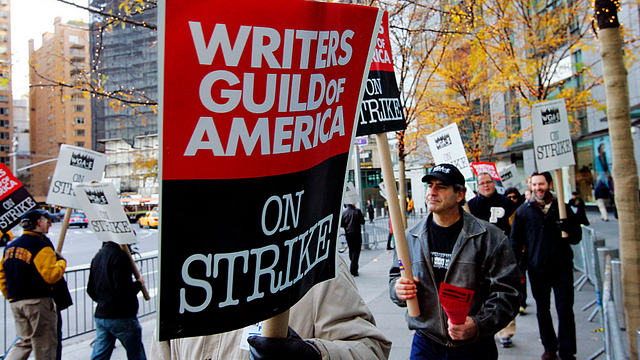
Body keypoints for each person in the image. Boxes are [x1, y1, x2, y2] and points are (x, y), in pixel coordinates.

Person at [390, 164, 520, 360]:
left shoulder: (490, 238)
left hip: (474, 346)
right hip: (425, 343)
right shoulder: (409, 238)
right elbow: (397, 272)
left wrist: (477, 325)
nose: (432, 192)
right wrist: (398, 290)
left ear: (459, 195)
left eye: (441, 187)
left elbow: (508, 294)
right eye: (430, 185)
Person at [150, 257, 392, 359]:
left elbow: (371, 350)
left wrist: (315, 355)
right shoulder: (185, 264)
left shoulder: (315, 263)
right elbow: (161, 350)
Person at [510, 172, 582, 360]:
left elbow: (577, 238)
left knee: (565, 310)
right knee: (543, 310)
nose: (538, 188)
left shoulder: (562, 208)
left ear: (549, 184)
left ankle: (567, 352)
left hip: (562, 268)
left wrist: (569, 228)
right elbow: (516, 241)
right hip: (537, 269)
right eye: (534, 184)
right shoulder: (524, 211)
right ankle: (549, 347)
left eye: (541, 184)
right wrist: (516, 267)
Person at [0, 209, 66, 360]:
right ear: (38, 222)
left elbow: (2, 275)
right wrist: (61, 262)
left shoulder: (10, 247)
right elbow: (51, 276)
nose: (49, 224)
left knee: (24, 342)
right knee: (44, 345)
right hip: (38, 302)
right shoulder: (41, 246)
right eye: (46, 221)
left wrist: (10, 296)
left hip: (16, 301)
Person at [468, 173, 518, 348]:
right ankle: (484, 325)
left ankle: (506, 331)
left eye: (488, 182)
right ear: (477, 186)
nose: (485, 185)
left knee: (503, 291)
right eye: (481, 183)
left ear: (494, 183)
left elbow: (516, 229)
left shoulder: (507, 204)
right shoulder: (470, 206)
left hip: (503, 255)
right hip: (479, 256)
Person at [87, 241, 147, 360]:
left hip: (102, 314)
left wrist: (103, 301)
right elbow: (124, 289)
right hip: (121, 315)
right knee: (136, 353)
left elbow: (90, 289)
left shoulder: (97, 257)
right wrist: (139, 284)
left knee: (100, 354)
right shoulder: (120, 257)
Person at [504, 187, 528, 315]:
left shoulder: (522, 211)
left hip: (521, 250)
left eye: (514, 197)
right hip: (508, 249)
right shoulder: (504, 210)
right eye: (509, 198)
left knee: (521, 275)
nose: (512, 200)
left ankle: (522, 302)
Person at [341, 203, 365, 276]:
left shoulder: (344, 213)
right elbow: (362, 222)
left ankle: (353, 265)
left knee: (351, 249)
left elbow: (341, 224)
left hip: (348, 233)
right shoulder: (357, 211)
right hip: (356, 232)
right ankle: (354, 268)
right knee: (356, 250)